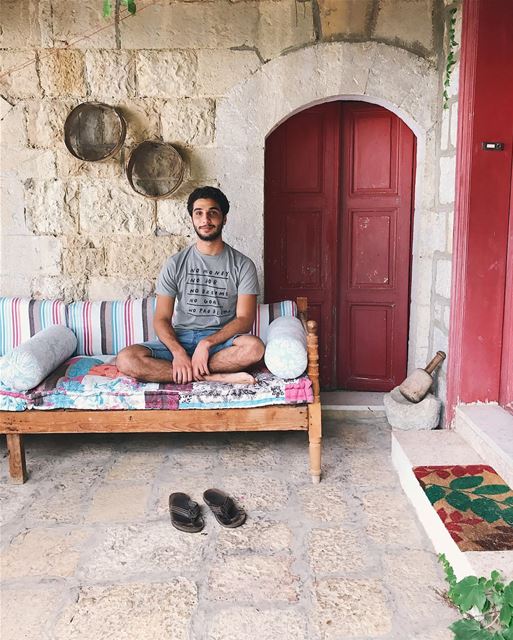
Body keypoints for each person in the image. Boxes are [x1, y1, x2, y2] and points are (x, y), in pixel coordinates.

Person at [116, 186, 264, 385]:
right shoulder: (175, 263)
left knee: (255, 348)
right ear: (192, 219)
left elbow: (245, 319)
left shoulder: (243, 265)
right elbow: (161, 318)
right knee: (126, 359)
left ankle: (188, 374)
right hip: (181, 339)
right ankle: (210, 376)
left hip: (221, 342)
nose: (205, 220)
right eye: (199, 213)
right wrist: (178, 353)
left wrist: (207, 343)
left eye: (213, 213)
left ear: (224, 219)